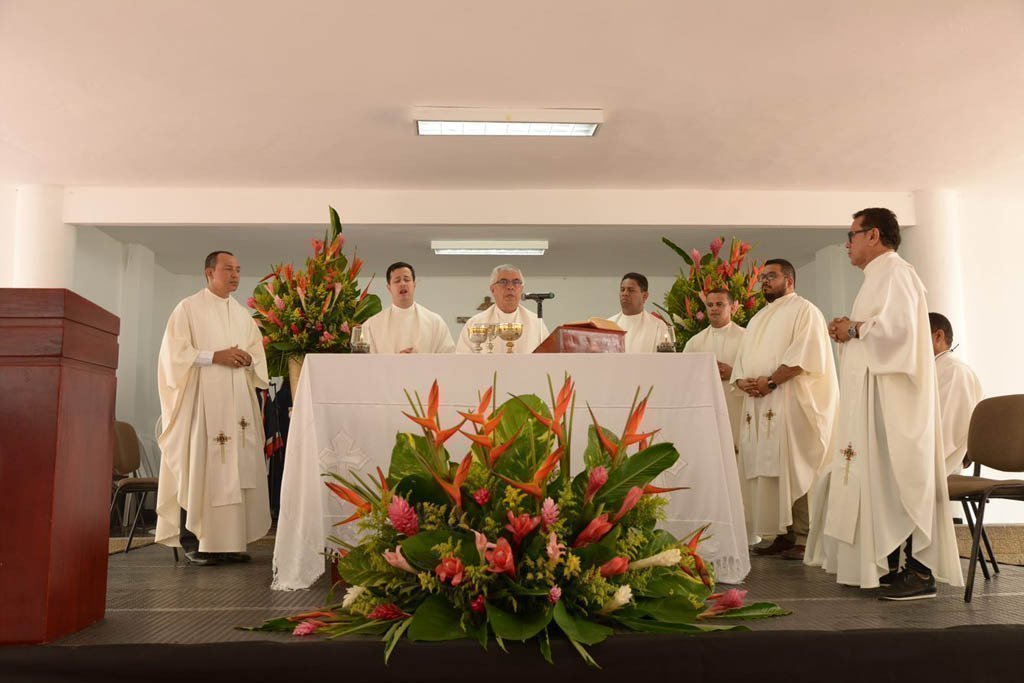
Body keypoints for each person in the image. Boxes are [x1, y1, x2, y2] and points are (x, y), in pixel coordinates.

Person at [807, 208, 963, 600]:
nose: (848, 243)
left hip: (896, 404)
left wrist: (855, 328)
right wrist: (851, 331)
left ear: (872, 235)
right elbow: (880, 331)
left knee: (902, 480)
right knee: (879, 481)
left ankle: (921, 572)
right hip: (875, 400)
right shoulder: (878, 277)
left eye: (852, 234)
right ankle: (893, 563)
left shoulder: (896, 272)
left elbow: (903, 334)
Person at [154, 251, 271, 566]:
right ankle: (195, 540)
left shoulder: (243, 314)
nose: (234, 274)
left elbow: (257, 354)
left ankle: (229, 542)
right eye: (227, 269)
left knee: (236, 468)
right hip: (203, 401)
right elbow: (173, 355)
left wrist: (248, 360)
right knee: (200, 464)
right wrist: (214, 356)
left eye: (238, 269)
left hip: (237, 406)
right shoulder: (188, 308)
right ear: (209, 272)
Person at [730, 259, 838, 561]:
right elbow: (742, 358)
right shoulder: (758, 318)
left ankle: (803, 536)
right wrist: (742, 380)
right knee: (765, 468)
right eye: (763, 277)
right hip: (759, 403)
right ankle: (779, 534)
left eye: (771, 276)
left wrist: (771, 382)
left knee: (794, 463)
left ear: (789, 280)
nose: (764, 281)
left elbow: (805, 356)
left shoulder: (805, 311)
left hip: (790, 402)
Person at [684, 288, 746, 449]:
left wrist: (734, 373)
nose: (714, 308)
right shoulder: (694, 342)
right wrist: (706, 374)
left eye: (719, 304)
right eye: (710, 304)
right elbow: (684, 378)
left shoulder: (747, 337)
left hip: (737, 405)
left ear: (732, 307)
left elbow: (757, 370)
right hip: (706, 406)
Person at [929, 312, 983, 476]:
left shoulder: (954, 370)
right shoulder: (933, 370)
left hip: (941, 462)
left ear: (938, 336)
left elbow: (949, 431)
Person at [362, 261, 455, 354]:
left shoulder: (435, 322)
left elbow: (448, 359)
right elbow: (365, 364)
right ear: (389, 287)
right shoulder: (372, 325)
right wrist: (395, 363)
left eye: (407, 279)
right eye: (397, 281)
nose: (402, 284)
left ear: (414, 284)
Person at [456, 265, 550, 353]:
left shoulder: (536, 322)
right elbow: (461, 360)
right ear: (493, 290)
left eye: (516, 282)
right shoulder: (475, 323)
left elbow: (548, 358)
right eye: (503, 282)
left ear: (521, 289)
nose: (510, 287)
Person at [606, 272, 670, 353]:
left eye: (631, 290)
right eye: (622, 290)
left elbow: (665, 361)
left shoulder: (658, 326)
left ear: (644, 296)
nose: (625, 294)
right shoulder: (608, 326)